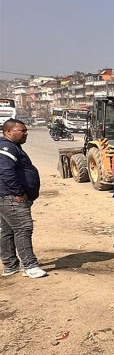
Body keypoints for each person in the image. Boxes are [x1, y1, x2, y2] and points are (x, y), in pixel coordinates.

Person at [0, 119, 46, 278]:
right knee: (23, 228)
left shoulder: (12, 147)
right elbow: (5, 171)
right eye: (22, 131)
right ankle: (30, 265)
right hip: (11, 197)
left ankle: (10, 265)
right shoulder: (6, 147)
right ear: (8, 132)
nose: (26, 133)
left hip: (6, 196)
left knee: (7, 231)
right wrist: (18, 192)